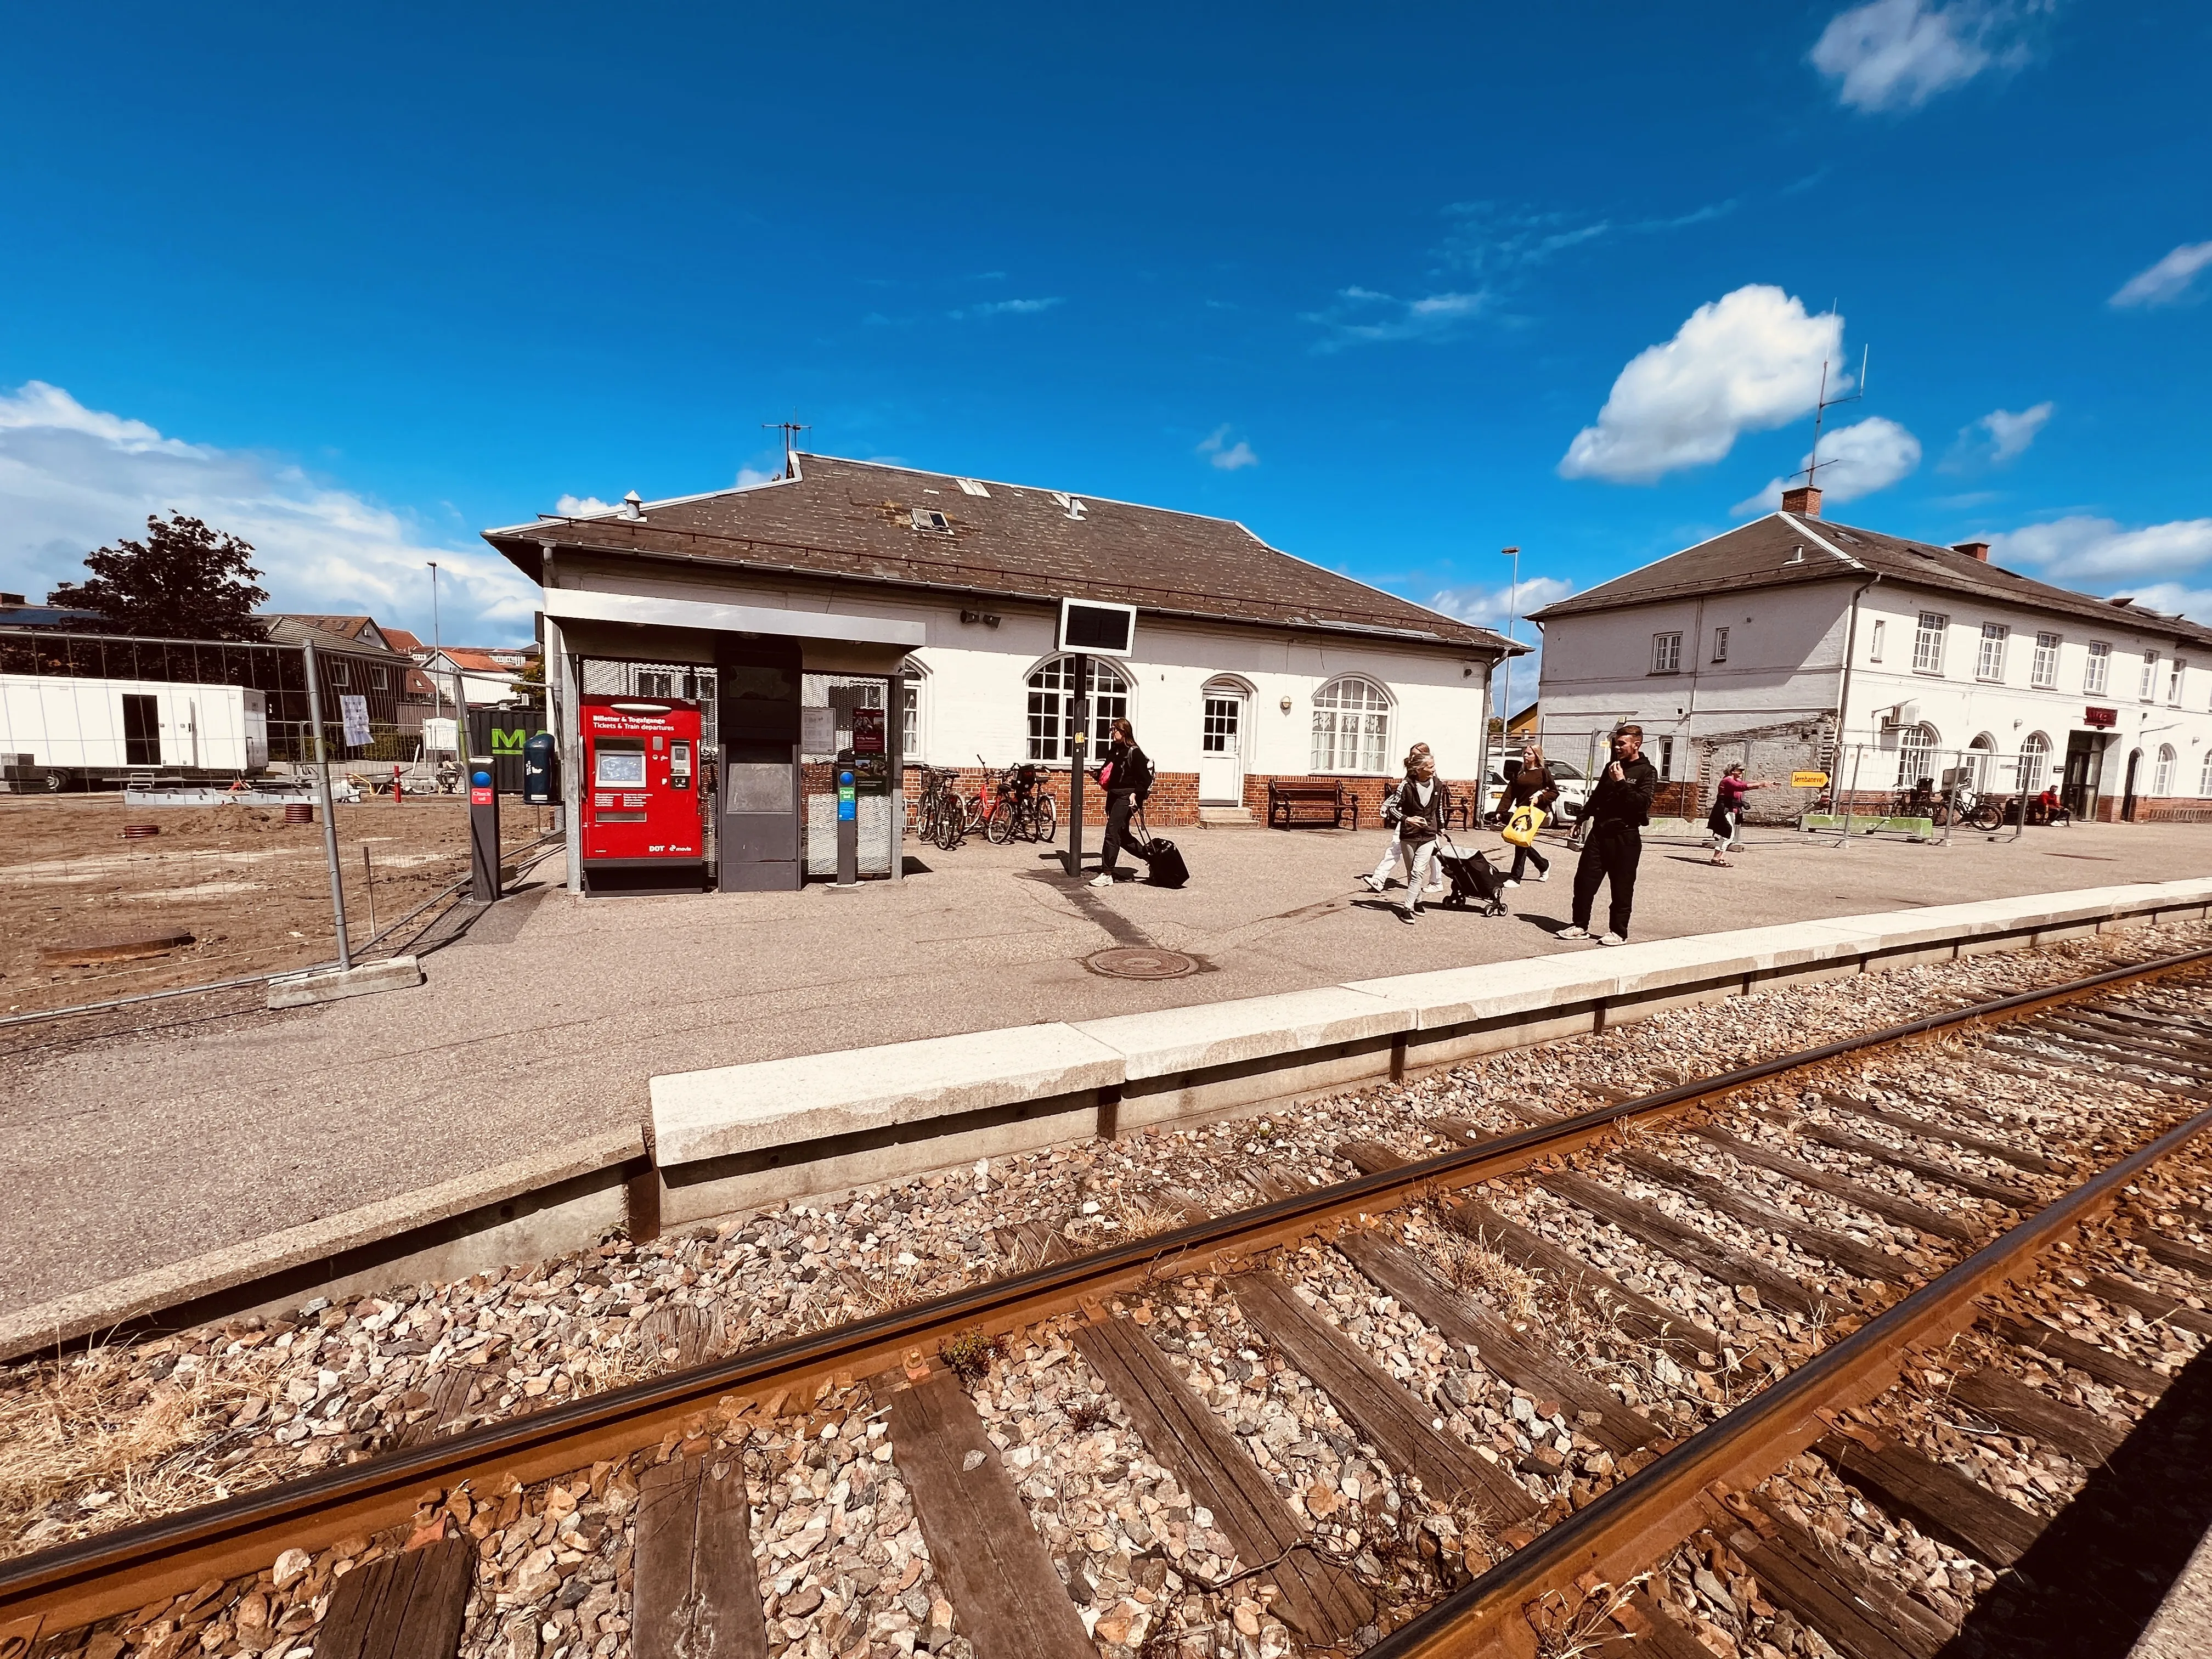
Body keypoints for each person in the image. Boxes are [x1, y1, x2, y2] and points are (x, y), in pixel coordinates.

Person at [1559, 724, 1657, 946]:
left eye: (1622, 744)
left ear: (1636, 745)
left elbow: (1641, 805)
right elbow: (1598, 796)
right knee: (1584, 881)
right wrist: (1581, 819)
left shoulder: (1647, 772)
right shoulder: (1611, 767)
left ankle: (1618, 932)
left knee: (1621, 886)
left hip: (1625, 836)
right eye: (1616, 743)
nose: (1617, 747)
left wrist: (1622, 782)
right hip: (1599, 833)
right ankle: (1580, 926)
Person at [1363, 748, 1450, 924]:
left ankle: (1406, 909)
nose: (1434, 770)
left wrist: (1441, 827)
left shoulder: (1438, 784)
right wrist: (1407, 819)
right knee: (1412, 872)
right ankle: (1417, 900)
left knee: (1418, 872)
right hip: (1409, 836)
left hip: (1428, 834)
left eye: (1434, 766)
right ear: (1419, 769)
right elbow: (1393, 808)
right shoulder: (1407, 785)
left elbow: (1438, 808)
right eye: (1430, 767)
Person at [1087, 718, 1153, 887]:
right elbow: (1109, 771)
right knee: (1122, 837)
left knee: (1112, 832)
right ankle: (1151, 857)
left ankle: (1107, 873)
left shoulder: (1134, 752)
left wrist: (1135, 795)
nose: (1111, 733)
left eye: (1114, 730)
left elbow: (1145, 779)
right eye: (1111, 730)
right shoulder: (1114, 751)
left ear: (1123, 732)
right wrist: (1097, 774)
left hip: (1127, 797)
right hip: (1114, 796)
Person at [1499, 742, 1558, 888]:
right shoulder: (1519, 773)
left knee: (1520, 843)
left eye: (1529, 754)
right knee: (1520, 840)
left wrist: (1540, 798)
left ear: (1536, 756)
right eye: (1525, 753)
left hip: (1535, 812)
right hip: (1521, 811)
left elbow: (1554, 792)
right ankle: (1543, 865)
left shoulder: (1543, 773)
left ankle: (1515, 878)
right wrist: (1501, 812)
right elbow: (1509, 793)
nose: (1525, 756)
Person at [1705, 763, 1773, 866]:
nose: (1742, 772)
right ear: (1733, 771)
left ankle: (1720, 858)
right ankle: (1716, 858)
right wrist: (1761, 783)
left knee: (1728, 835)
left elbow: (1744, 787)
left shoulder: (1736, 781)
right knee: (1728, 835)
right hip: (1724, 810)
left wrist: (1763, 785)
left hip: (1731, 810)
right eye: (1740, 770)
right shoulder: (1727, 780)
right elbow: (1740, 787)